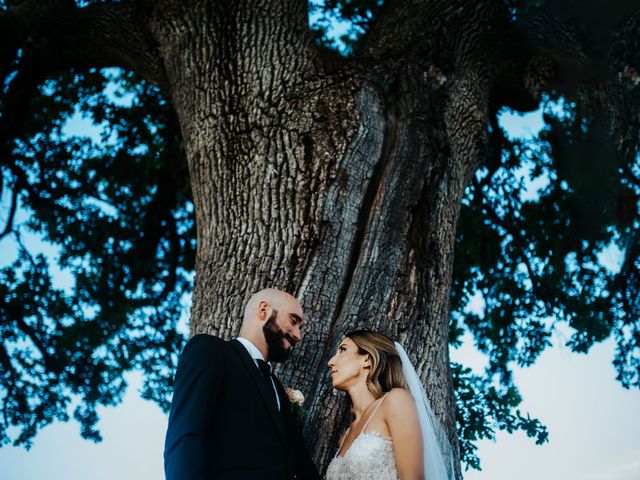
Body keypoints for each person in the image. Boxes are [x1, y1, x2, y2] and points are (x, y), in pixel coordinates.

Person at [164, 288, 321, 480]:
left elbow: (302, 464)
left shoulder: (279, 392)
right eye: (293, 321)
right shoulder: (210, 351)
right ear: (264, 310)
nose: (298, 335)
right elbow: (185, 437)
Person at [325, 330, 454, 480]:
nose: (331, 362)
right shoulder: (346, 435)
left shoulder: (396, 400)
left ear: (367, 360)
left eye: (343, 350)